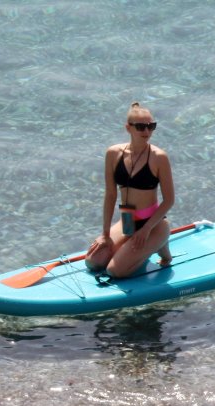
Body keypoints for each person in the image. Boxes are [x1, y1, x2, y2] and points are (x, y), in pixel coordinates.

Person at [86, 102, 175, 278]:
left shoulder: (159, 158)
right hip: (127, 220)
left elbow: (169, 200)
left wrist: (146, 229)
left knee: (114, 271)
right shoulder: (113, 154)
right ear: (128, 128)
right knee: (94, 262)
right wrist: (105, 234)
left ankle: (159, 243)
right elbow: (110, 195)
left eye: (151, 126)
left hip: (153, 223)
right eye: (141, 127)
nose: (147, 132)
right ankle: (149, 246)